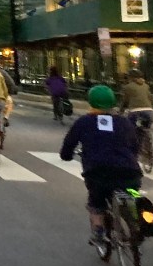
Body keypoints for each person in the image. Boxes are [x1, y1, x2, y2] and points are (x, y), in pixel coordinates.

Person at [60, 85, 142, 245]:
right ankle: (135, 216)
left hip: (98, 176)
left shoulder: (83, 122)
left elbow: (68, 145)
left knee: (96, 201)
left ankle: (98, 231)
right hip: (129, 174)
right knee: (132, 192)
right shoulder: (124, 123)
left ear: (91, 102)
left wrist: (66, 155)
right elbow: (135, 146)